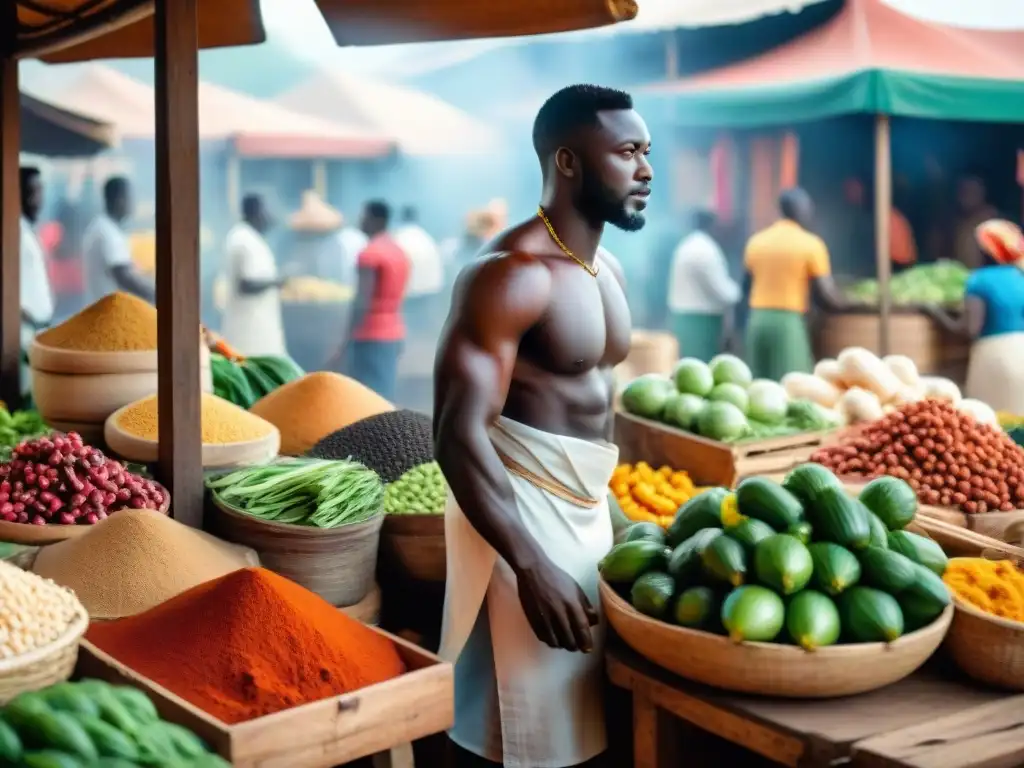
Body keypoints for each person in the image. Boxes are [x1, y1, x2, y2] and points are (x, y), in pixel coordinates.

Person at [434, 84, 651, 768]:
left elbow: (593, 406)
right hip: (517, 510)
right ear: (567, 162)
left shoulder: (605, 266)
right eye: (626, 152)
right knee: (524, 731)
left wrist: (611, 508)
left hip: (585, 509)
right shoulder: (509, 275)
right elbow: (457, 433)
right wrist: (527, 562)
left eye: (647, 151)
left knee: (589, 715)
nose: (646, 169)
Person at [743, 188, 849, 380]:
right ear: (804, 210)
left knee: (757, 386)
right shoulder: (811, 244)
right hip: (787, 323)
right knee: (793, 384)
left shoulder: (756, 241)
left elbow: (745, 289)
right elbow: (826, 295)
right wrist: (851, 305)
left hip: (757, 321)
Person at [931, 219, 1024, 413]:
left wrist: (937, 315)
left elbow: (971, 328)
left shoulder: (978, 281)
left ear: (985, 251)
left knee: (989, 421)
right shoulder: (1020, 277)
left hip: (993, 356)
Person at [330, 200, 409, 401]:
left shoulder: (370, 254)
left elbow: (362, 300)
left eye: (364, 217)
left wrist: (345, 340)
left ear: (377, 220)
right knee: (385, 393)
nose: (361, 222)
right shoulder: (398, 251)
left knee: (367, 398)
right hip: (394, 331)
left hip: (371, 334)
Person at [667, 208, 741, 361]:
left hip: (685, 317)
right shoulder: (704, 250)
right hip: (701, 322)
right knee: (700, 368)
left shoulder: (687, 245)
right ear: (711, 226)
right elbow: (720, 290)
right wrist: (740, 294)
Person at [220, 194, 288, 357]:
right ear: (257, 212)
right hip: (250, 329)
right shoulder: (244, 240)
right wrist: (277, 282)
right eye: (267, 211)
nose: (270, 217)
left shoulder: (248, 237)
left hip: (256, 326)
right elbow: (247, 284)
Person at [82, 177, 154, 304]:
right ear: (120, 200)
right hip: (108, 311)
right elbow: (124, 276)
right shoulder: (107, 232)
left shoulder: (102, 227)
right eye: (129, 198)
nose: (132, 204)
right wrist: (156, 295)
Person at [19, 167, 54, 393]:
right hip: (21, 333)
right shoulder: (13, 230)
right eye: (32, 191)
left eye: (40, 191)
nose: (38, 199)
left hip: (35, 332)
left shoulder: (26, 228)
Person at [953, 176, 999, 270]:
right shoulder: (954, 220)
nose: (966, 196)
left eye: (972, 191)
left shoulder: (994, 222)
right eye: (963, 191)